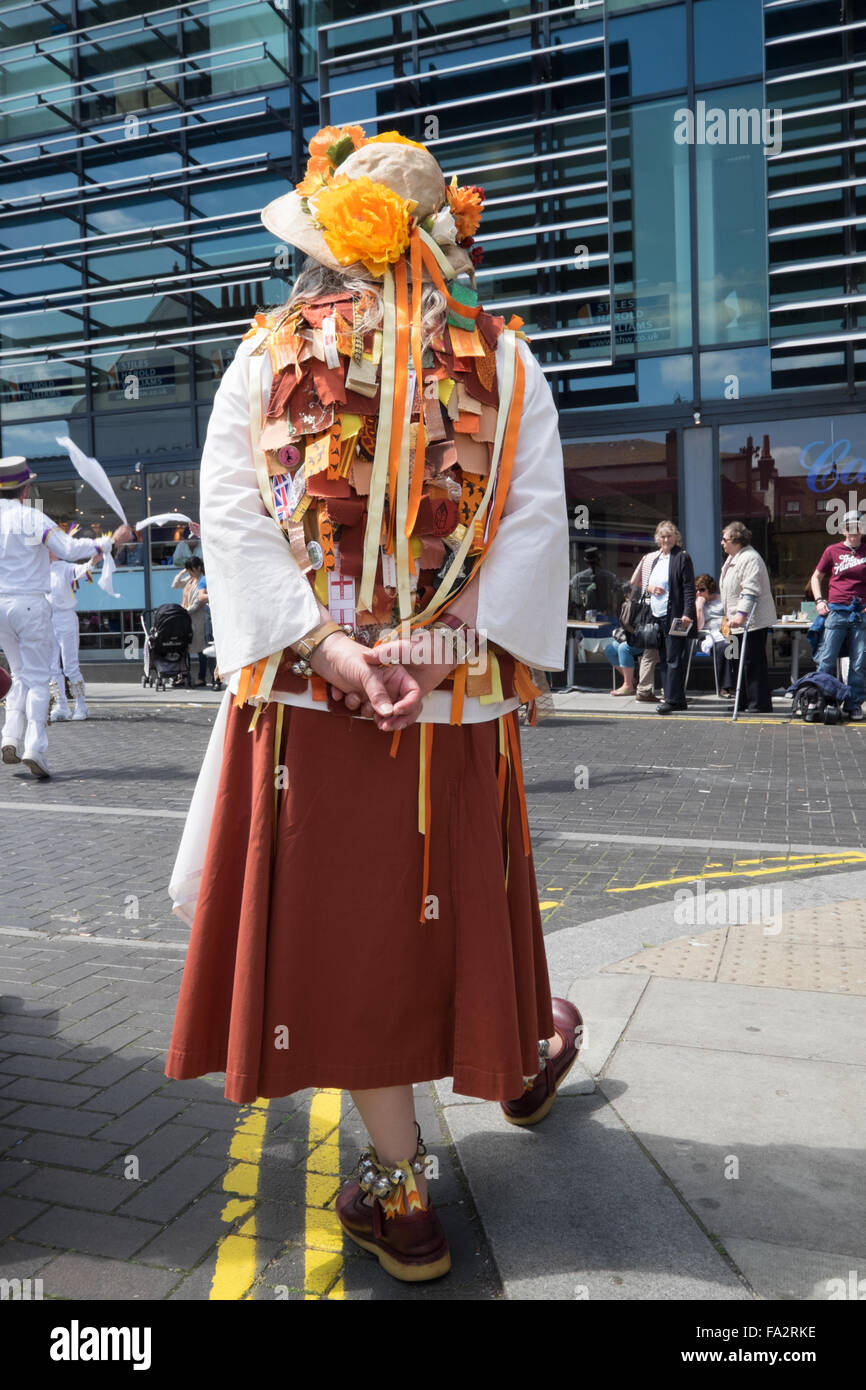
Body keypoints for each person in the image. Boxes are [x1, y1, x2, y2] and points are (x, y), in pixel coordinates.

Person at [163, 125, 582, 1283]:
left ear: (331, 241)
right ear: (441, 240)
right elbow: (537, 521)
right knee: (445, 916)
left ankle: (403, 1194)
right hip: (446, 708)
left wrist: (330, 650)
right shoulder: (507, 358)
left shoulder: (271, 350)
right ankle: (521, 1050)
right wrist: (444, 649)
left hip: (315, 704)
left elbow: (233, 510)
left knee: (351, 943)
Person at [0, 456, 116, 778]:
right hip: (30, 605)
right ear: (26, 489)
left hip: (0, 606)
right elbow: (66, 549)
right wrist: (102, 543)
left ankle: (10, 734)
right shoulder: (32, 517)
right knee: (37, 679)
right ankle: (35, 745)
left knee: (19, 674)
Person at [810, 510, 866, 720]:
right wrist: (819, 600)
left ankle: (853, 704)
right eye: (850, 527)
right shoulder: (832, 550)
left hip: (860, 614)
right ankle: (821, 699)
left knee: (859, 663)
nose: (854, 531)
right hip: (836, 612)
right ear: (843, 530)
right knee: (826, 659)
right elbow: (816, 577)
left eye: (858, 526)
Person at [719, 521, 776, 713]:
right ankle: (741, 701)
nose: (722, 543)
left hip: (751, 622)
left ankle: (758, 703)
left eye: (725, 539)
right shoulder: (731, 559)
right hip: (733, 623)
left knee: (752, 661)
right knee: (736, 660)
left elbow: (750, 590)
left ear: (736, 540)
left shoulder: (750, 558)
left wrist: (741, 615)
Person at [644, 521, 696, 715]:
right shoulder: (658, 559)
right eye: (662, 536)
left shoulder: (682, 557)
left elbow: (689, 588)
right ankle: (678, 699)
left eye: (669, 536)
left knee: (673, 658)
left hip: (676, 616)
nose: (665, 540)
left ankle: (671, 700)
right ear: (658, 539)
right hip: (658, 615)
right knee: (665, 658)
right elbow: (647, 585)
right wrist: (651, 588)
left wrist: (687, 613)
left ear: (676, 538)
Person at [47, 548, 100, 722]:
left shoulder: (65, 567)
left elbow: (82, 570)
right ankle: (60, 705)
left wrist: (93, 560)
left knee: (70, 665)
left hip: (65, 617)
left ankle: (81, 705)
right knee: (52, 667)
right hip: (46, 619)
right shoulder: (38, 569)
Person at [627, 535, 664, 702]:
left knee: (651, 650)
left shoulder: (646, 557)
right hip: (658, 607)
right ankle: (648, 690)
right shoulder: (666, 558)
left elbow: (633, 581)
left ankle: (646, 689)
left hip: (645, 610)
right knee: (656, 650)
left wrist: (645, 588)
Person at [170, 554, 209, 686]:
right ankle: (184, 675)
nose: (190, 572)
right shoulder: (190, 579)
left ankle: (201, 677)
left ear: (198, 568)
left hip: (197, 619)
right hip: (186, 618)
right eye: (189, 570)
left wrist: (184, 611)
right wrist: (182, 573)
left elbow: (198, 603)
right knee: (184, 647)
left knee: (200, 649)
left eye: (191, 569)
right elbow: (175, 585)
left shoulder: (203, 580)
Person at [694, 573, 735, 696]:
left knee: (733, 644)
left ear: (710, 589)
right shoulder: (697, 603)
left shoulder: (722, 599)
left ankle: (737, 684)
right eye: (696, 590)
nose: (698, 593)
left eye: (702, 590)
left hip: (725, 632)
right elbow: (699, 627)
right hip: (706, 636)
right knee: (723, 646)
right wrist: (699, 607)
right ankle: (724, 687)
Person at [570, 544, 619, 617]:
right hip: (605, 618)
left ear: (585, 561)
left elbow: (574, 601)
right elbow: (616, 599)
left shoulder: (576, 578)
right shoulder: (611, 577)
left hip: (584, 619)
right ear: (599, 559)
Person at [604, 630, 643, 695]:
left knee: (623, 648)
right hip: (631, 637)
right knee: (610, 649)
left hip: (645, 638)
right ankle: (632, 681)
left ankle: (628, 685)